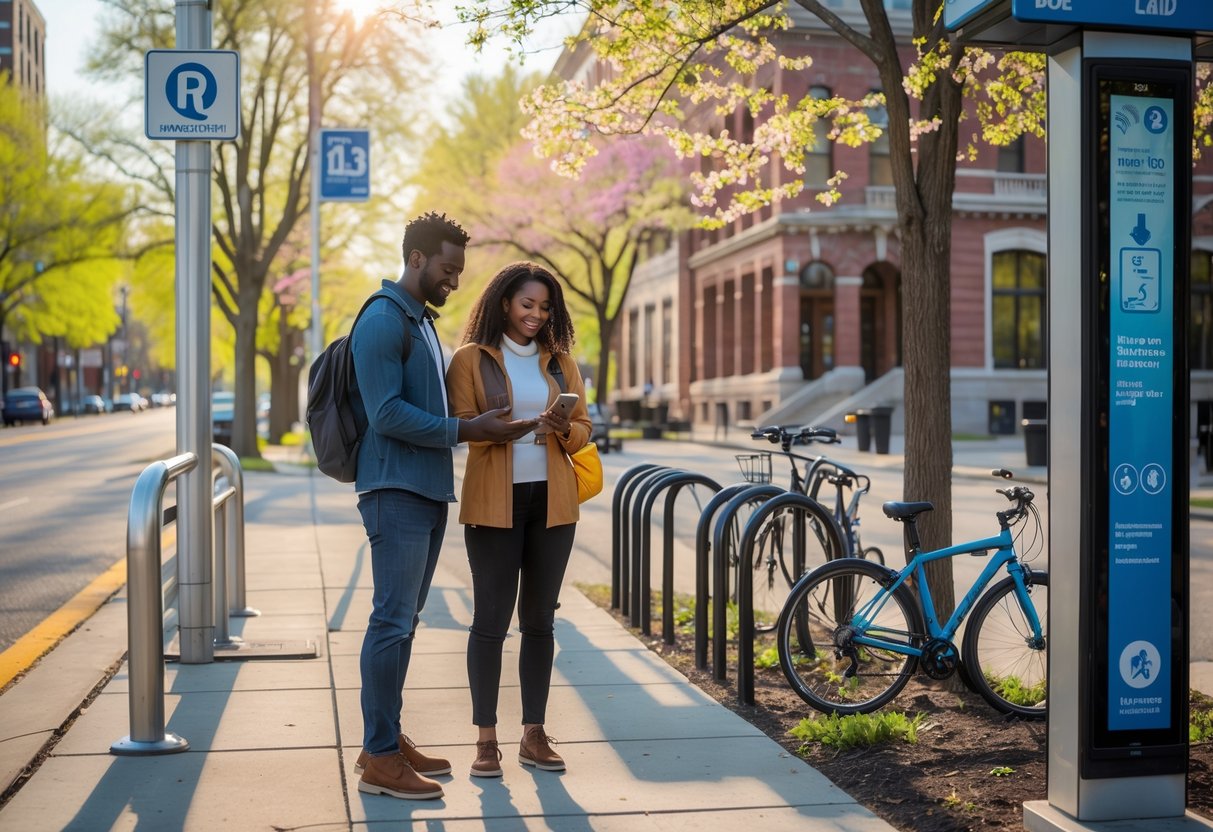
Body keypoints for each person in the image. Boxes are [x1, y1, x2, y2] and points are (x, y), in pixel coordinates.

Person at [351, 213, 538, 801]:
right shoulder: (384, 320)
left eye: (458, 271)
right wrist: (467, 429)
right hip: (395, 491)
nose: (455, 281)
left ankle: (385, 738)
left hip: (427, 491)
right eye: (448, 269)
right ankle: (380, 755)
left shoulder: (420, 322)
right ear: (416, 259)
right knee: (390, 622)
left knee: (403, 624)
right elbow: (385, 414)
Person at [446, 261, 593, 778]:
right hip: (494, 503)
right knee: (490, 622)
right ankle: (486, 741)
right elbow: (463, 425)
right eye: (527, 304)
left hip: (553, 504)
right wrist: (510, 428)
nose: (536, 315)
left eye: (545, 306)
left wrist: (559, 427)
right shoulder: (470, 358)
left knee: (540, 622)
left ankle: (534, 733)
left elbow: (584, 428)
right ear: (504, 302)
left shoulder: (559, 362)